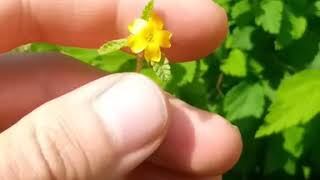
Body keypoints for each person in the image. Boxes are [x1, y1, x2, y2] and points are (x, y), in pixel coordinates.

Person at [0, 0, 242, 179]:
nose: (149, 35)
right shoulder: (142, 36)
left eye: (150, 34)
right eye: (147, 34)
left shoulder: (154, 37)